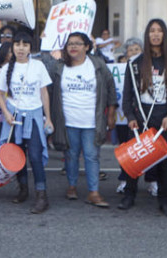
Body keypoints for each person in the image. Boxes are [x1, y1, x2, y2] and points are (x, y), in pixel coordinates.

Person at [119, 19, 167, 217]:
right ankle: (129, 195)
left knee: (162, 163)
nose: (155, 34)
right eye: (152, 31)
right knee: (135, 159)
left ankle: (165, 201)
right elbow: (128, 93)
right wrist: (130, 116)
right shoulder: (135, 63)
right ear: (147, 35)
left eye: (159, 31)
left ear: (164, 35)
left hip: (163, 119)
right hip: (140, 120)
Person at [48, 32, 117, 208]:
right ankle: (71, 187)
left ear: (87, 46)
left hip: (92, 122)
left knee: (91, 156)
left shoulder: (98, 65)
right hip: (67, 121)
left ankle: (93, 192)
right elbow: (48, 91)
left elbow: (110, 87)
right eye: (70, 43)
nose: (73, 47)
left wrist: (111, 113)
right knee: (70, 155)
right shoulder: (59, 67)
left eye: (78, 43)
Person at [0, 31, 53, 214]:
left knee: (35, 156)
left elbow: (44, 93)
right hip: (14, 118)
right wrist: (6, 113)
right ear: (12, 46)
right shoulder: (6, 69)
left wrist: (48, 118)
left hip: (34, 117)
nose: (21, 48)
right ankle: (23, 189)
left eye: (25, 45)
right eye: (18, 44)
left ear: (30, 48)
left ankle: (41, 195)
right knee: (16, 156)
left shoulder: (38, 66)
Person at [114, 37, 143, 193]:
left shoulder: (146, 68)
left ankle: (152, 180)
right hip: (122, 117)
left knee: (146, 149)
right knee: (125, 149)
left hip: (141, 116)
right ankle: (125, 179)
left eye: (136, 50)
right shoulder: (118, 68)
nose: (133, 53)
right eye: (130, 50)